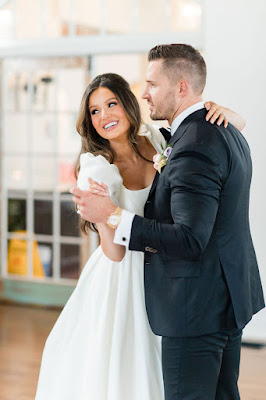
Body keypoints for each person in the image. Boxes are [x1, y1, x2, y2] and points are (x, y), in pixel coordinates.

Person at [36, 70, 246, 400]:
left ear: (129, 105)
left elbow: (212, 141)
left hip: (165, 264)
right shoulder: (96, 167)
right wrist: (105, 218)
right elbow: (114, 253)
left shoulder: (157, 141)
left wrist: (227, 114)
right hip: (124, 276)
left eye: (111, 104)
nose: (104, 116)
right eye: (94, 111)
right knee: (131, 369)